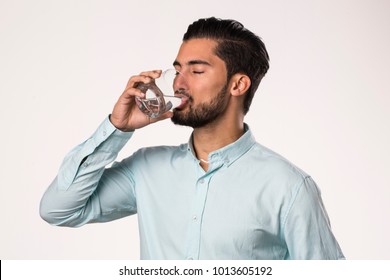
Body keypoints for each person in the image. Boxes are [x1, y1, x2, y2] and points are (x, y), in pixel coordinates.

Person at [40, 17, 344, 260]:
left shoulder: (288, 187)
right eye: (177, 70)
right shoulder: (147, 168)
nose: (178, 83)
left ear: (238, 85)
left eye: (196, 71)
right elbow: (58, 209)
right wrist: (117, 128)